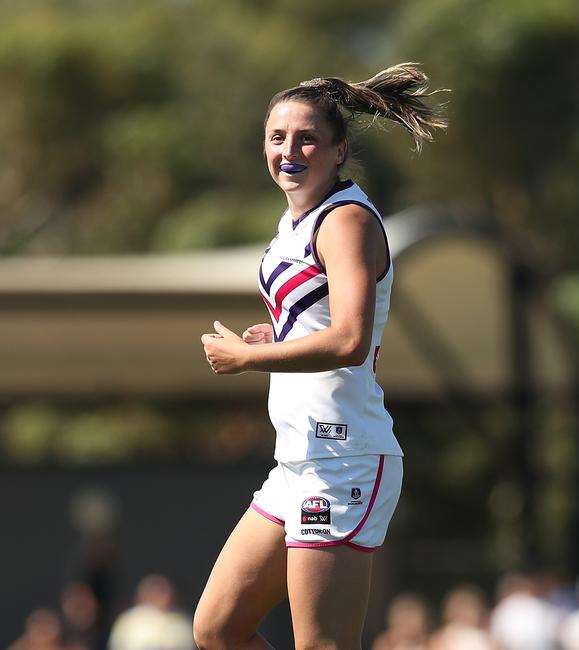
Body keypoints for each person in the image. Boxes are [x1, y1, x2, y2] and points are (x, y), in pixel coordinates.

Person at [195, 63, 447, 650]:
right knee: (217, 630)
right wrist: (276, 341)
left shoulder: (346, 219)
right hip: (298, 459)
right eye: (277, 137)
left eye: (307, 137)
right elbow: (319, 321)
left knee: (322, 644)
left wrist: (248, 360)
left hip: (343, 460)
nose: (290, 150)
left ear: (340, 151)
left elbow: (350, 340)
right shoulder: (295, 222)